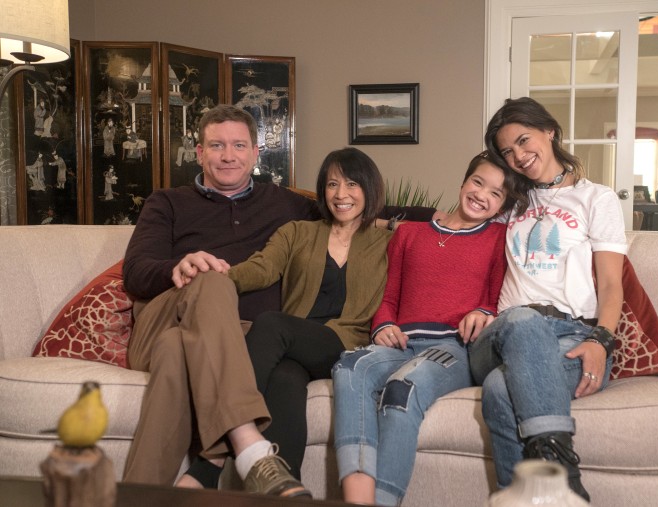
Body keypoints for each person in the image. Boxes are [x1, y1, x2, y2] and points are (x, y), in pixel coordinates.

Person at [122, 104, 433, 497]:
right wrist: (179, 268)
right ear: (199, 152)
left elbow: (351, 208)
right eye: (216, 145)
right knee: (213, 283)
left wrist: (448, 220)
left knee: (186, 354)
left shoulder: (286, 205)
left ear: (256, 152)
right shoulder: (166, 202)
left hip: (231, 339)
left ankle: (138, 495)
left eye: (239, 145)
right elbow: (135, 272)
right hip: (172, 316)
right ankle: (242, 444)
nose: (228, 155)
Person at [178, 147, 392, 489]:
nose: (341, 194)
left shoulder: (389, 242)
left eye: (352, 184)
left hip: (346, 343)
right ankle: (281, 488)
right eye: (332, 184)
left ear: (369, 188)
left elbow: (430, 229)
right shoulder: (298, 232)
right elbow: (261, 268)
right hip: (297, 346)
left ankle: (210, 459)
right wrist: (214, 277)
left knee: (272, 323)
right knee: (286, 381)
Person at [468, 97, 627, 502]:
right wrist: (377, 219)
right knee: (523, 320)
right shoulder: (510, 199)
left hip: (575, 333)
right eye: (508, 151)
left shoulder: (597, 198)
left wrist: (600, 340)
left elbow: (611, 284)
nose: (519, 156)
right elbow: (452, 219)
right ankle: (564, 480)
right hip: (507, 332)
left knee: (500, 391)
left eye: (524, 141)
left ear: (549, 131)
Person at [332, 152, 509, 506]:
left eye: (496, 193)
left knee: (402, 389)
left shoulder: (500, 237)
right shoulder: (410, 234)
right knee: (349, 366)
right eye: (478, 182)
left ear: (503, 204)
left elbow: (496, 298)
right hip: (400, 343)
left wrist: (483, 311)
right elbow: (389, 297)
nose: (482, 195)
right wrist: (382, 324)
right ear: (463, 182)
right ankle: (358, 497)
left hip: (453, 348)